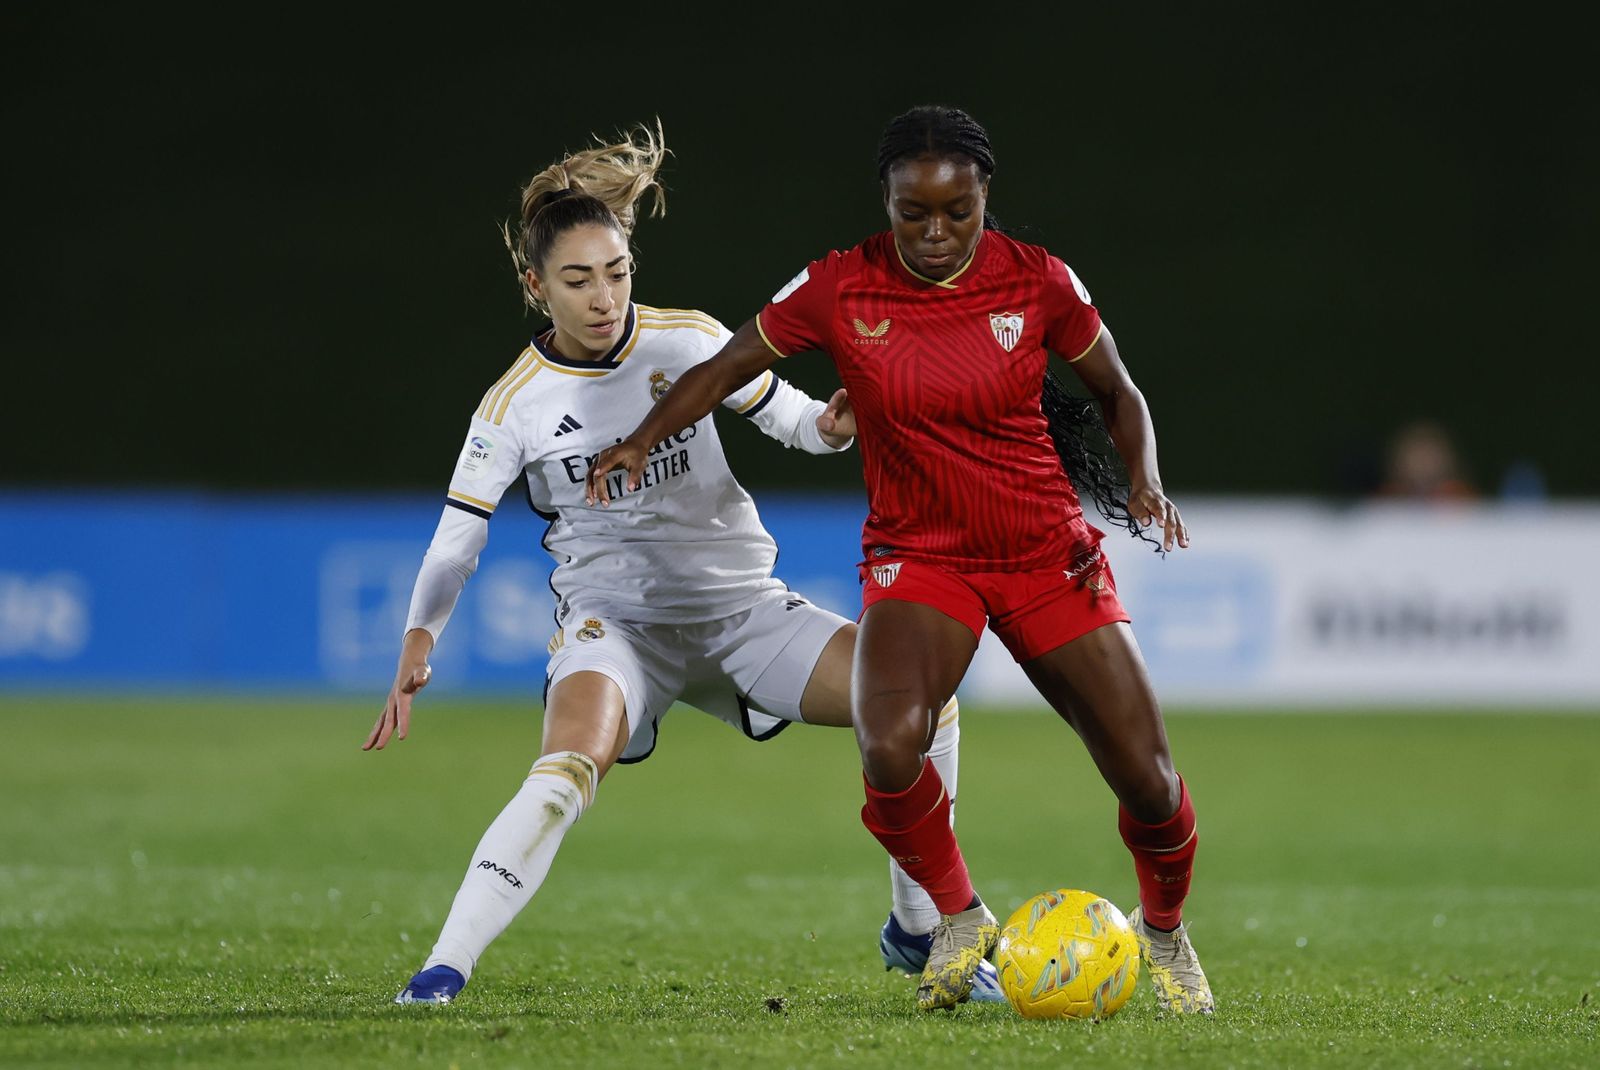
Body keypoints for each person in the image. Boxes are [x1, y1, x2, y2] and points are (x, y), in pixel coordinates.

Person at [588, 106, 1214, 1015]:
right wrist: (644, 437)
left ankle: (1164, 932)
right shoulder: (841, 286)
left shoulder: (1038, 281)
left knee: (1148, 779)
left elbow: (1118, 389)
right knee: (888, 745)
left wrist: (1145, 479)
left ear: (983, 197)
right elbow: (723, 369)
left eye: (954, 212)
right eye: (911, 212)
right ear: (884, 200)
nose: (932, 232)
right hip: (922, 559)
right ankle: (956, 920)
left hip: (1043, 553)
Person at [362, 123, 999, 1005]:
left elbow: (794, 422)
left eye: (617, 272)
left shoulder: (687, 339)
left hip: (745, 612)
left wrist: (833, 423)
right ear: (534, 285)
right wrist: (418, 639)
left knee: (925, 705)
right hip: (619, 630)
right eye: (577, 279)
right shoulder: (515, 404)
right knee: (562, 773)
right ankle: (441, 970)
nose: (603, 297)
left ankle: (919, 929)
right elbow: (456, 540)